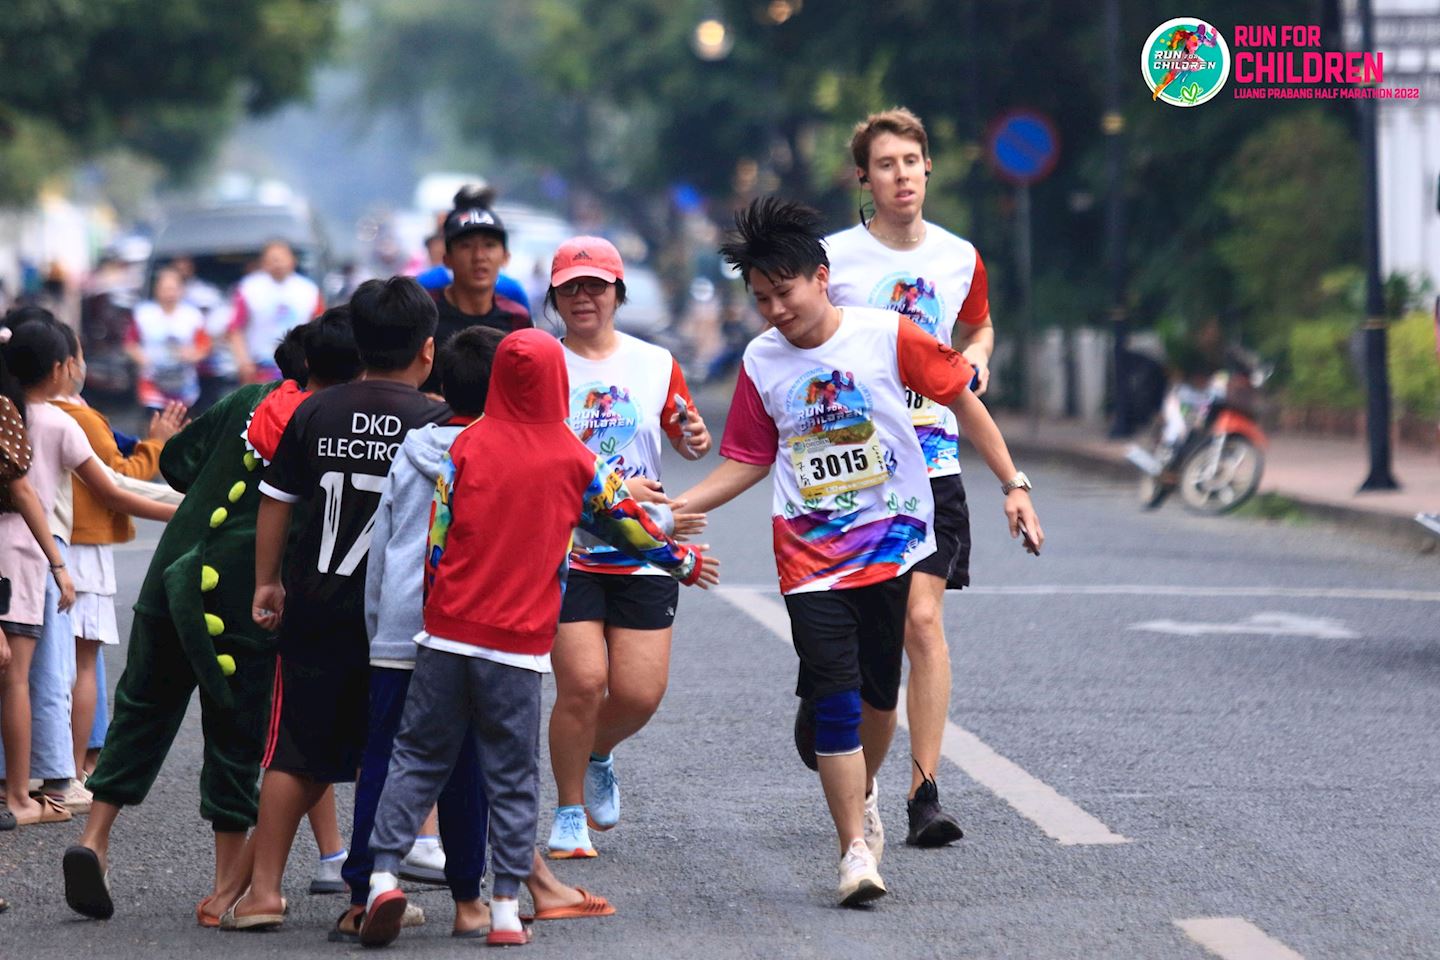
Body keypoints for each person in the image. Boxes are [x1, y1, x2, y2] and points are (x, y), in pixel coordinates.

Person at [676, 197, 1042, 907]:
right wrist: (675, 507)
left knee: (879, 697)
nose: (775, 310)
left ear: (821, 276)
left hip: (895, 547)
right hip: (809, 558)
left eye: (784, 292)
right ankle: (852, 852)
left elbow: (961, 397)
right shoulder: (760, 361)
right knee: (840, 702)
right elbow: (750, 459)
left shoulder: (886, 336)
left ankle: (865, 789)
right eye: (760, 299)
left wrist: (1012, 483)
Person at [359, 328, 717, 948]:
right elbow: (622, 523)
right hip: (515, 646)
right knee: (511, 774)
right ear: (556, 382)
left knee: (417, 759)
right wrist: (680, 559)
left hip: (446, 633)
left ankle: (383, 879)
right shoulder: (571, 456)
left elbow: (438, 538)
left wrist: (441, 607)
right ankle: (503, 911)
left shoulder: (466, 445)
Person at [61, 311, 361, 923]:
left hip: (174, 571)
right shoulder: (335, 430)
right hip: (251, 594)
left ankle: (95, 836)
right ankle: (226, 886)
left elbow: (175, 464)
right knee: (235, 733)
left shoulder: (249, 400)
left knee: (142, 707)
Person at [211, 277, 450, 932]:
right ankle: (366, 894)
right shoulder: (436, 420)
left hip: (316, 604)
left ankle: (261, 893)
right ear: (427, 350)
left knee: (295, 749)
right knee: (391, 751)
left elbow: (276, 500)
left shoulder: (315, 412)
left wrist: (268, 582)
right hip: (401, 617)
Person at [824, 107, 996, 847]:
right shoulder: (831, 260)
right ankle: (840, 742)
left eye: (912, 161)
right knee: (874, 640)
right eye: (885, 164)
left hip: (935, 458)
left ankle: (924, 791)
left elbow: (977, 325)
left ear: (929, 169)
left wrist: (977, 358)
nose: (901, 175)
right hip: (857, 469)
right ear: (865, 178)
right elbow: (799, 336)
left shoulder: (960, 256)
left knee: (923, 621)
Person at [543, 237, 713, 858]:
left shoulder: (655, 363)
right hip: (568, 549)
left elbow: (686, 433)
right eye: (570, 287)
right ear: (555, 297)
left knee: (639, 694)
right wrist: (611, 487)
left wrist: (694, 435)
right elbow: (530, 453)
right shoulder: (541, 366)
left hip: (643, 548)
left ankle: (597, 752)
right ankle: (566, 813)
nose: (583, 297)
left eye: (595, 285)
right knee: (583, 683)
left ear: (618, 292)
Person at [0, 318, 176, 829]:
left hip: (16, 551)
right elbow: (116, 491)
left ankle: (19, 786)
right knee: (31, 677)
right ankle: (32, 790)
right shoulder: (60, 423)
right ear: (60, 369)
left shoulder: (9, 414)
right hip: (31, 554)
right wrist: (185, 512)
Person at [421, 198, 531, 393]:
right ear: (447, 258)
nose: (479, 256)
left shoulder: (517, 318)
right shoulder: (424, 313)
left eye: (489, 245)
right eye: (466, 246)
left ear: (505, 257)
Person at [225, 240, 323, 383]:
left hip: (299, 365)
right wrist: (243, 362)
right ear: (263, 262)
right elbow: (235, 329)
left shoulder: (309, 291)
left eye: (282, 258)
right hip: (260, 366)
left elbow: (319, 328)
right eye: (273, 259)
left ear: (293, 260)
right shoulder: (248, 289)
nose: (278, 263)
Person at [126, 267, 211, 411]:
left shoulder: (192, 316)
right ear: (157, 290)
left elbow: (205, 346)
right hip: (152, 384)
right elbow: (130, 343)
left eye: (173, 289)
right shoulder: (143, 315)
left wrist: (192, 355)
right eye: (165, 289)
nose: (169, 294)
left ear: (181, 290)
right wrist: (142, 358)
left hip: (184, 386)